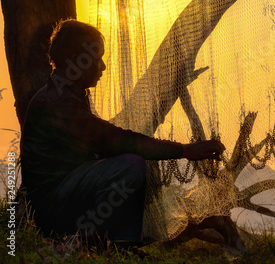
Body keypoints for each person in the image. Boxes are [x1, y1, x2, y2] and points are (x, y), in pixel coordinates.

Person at [20, 19, 225, 249]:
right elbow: (113, 140)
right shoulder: (57, 101)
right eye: (97, 59)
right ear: (76, 60)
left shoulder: (68, 94)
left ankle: (110, 242)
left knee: (135, 162)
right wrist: (184, 150)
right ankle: (118, 246)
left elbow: (104, 143)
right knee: (130, 165)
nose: (104, 67)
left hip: (61, 200)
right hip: (49, 211)